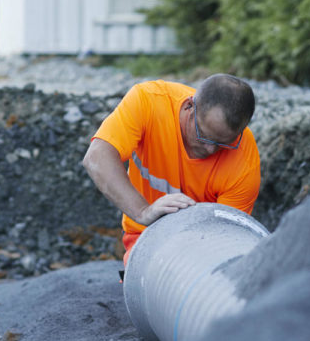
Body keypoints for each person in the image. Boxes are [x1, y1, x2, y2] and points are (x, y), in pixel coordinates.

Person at [83, 74, 260, 266]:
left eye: (223, 143)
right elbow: (97, 157)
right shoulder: (149, 102)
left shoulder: (244, 161)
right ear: (188, 106)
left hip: (202, 246)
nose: (211, 149)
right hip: (144, 235)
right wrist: (143, 211)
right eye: (204, 136)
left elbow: (223, 242)